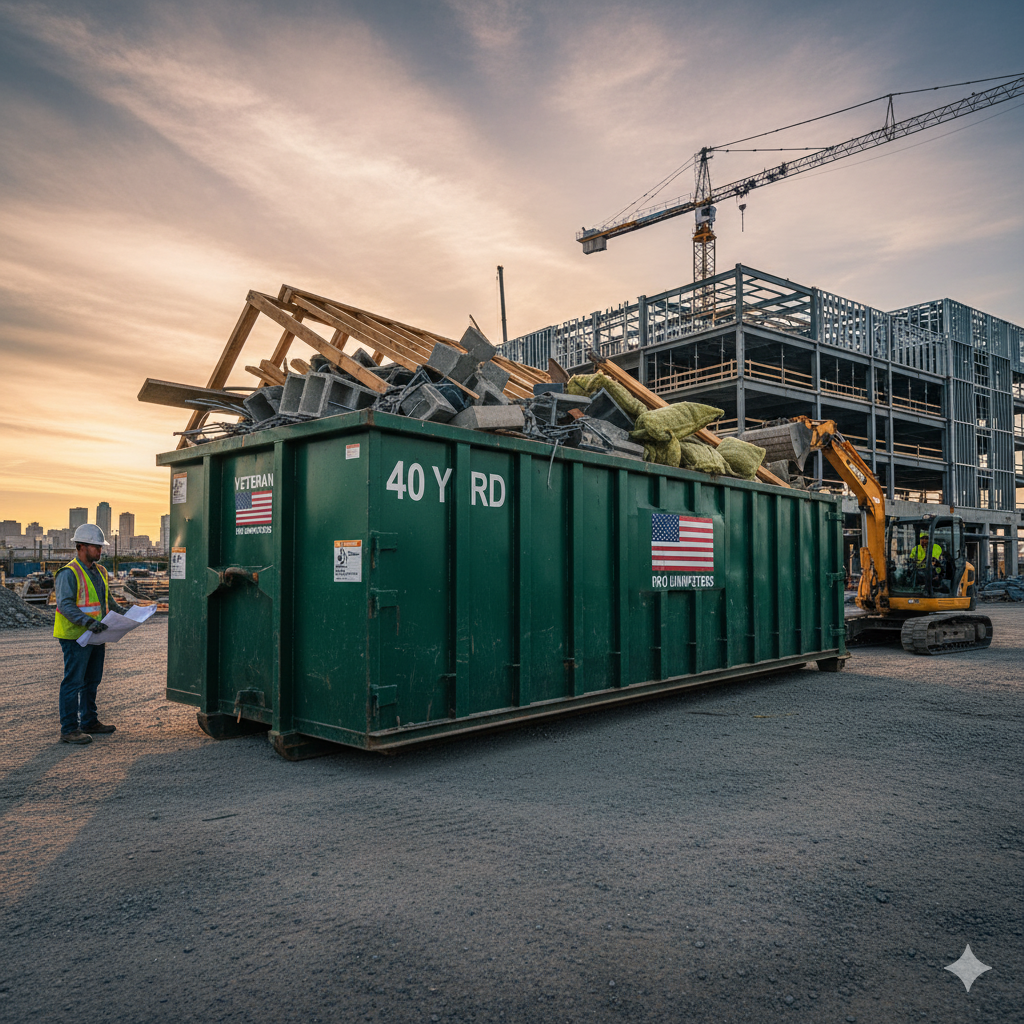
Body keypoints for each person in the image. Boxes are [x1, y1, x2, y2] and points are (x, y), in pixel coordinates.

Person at [53, 524, 128, 744]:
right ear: (81, 546)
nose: (100, 551)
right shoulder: (68, 573)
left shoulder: (101, 571)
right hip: (76, 637)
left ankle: (89, 722)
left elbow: (108, 602)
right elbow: (65, 605)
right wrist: (88, 622)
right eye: (96, 546)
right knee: (73, 683)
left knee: (92, 680)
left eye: (100, 547)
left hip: (96, 634)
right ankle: (68, 729)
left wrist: (128, 616)